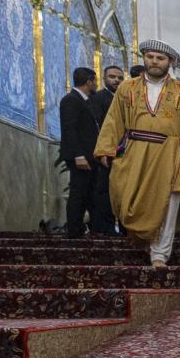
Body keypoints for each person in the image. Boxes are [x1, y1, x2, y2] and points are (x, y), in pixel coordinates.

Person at [93, 40, 180, 266]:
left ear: (170, 62)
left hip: (169, 154)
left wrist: (179, 144)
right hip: (135, 152)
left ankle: (160, 253)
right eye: (150, 57)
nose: (154, 61)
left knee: (168, 202)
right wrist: (106, 147)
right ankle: (143, 239)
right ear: (144, 58)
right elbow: (114, 120)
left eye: (160, 58)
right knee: (128, 199)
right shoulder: (127, 88)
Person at [57, 67, 103, 236]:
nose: (96, 85)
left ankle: (94, 228)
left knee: (90, 193)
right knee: (78, 194)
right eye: (95, 81)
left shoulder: (85, 101)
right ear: (89, 81)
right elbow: (69, 129)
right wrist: (78, 155)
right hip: (80, 156)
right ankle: (74, 231)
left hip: (89, 156)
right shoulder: (71, 100)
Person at [87, 63, 124, 234]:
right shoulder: (98, 98)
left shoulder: (126, 97)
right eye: (112, 77)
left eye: (120, 78)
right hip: (107, 152)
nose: (116, 80)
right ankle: (105, 227)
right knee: (104, 191)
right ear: (104, 78)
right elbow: (97, 127)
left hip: (125, 151)